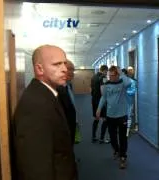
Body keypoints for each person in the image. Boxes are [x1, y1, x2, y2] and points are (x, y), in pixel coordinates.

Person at [11, 45, 76, 180]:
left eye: (64, 63)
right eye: (57, 64)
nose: (64, 69)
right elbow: (35, 167)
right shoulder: (35, 104)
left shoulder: (47, 94)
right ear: (40, 69)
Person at [96, 65, 132, 169]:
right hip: (110, 115)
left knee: (123, 137)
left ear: (117, 75)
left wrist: (121, 73)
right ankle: (116, 150)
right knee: (112, 137)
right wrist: (98, 109)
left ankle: (123, 157)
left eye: (112, 75)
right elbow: (104, 97)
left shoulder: (123, 83)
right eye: (109, 75)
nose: (110, 77)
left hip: (122, 115)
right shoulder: (106, 84)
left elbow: (129, 83)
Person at [57, 60, 77, 145]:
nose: (72, 72)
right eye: (69, 69)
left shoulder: (69, 85)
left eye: (73, 70)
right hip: (63, 128)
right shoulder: (57, 89)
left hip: (71, 123)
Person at [91, 65, 109, 144]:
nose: (107, 73)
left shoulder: (93, 77)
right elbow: (103, 92)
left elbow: (90, 89)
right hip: (101, 101)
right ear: (105, 70)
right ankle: (102, 138)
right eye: (107, 71)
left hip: (94, 100)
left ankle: (94, 137)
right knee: (105, 119)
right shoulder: (103, 77)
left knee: (96, 118)